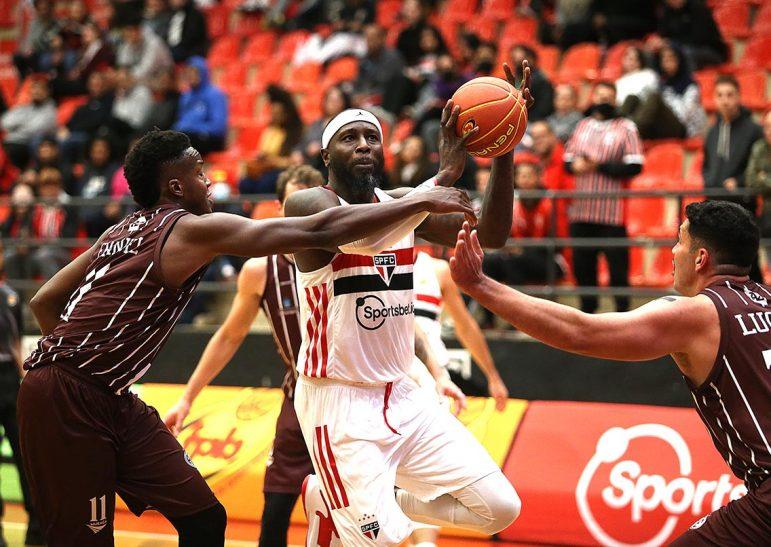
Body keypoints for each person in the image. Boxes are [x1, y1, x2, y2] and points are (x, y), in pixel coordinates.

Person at [18, 129, 474, 545]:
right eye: (200, 173)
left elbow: (44, 301)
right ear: (176, 187)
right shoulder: (192, 227)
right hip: (66, 394)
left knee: (203, 516)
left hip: (109, 394)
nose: (210, 182)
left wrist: (96, 363)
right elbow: (319, 228)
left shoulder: (116, 232)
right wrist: (422, 201)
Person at [287, 61, 531, 546]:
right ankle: (351, 505)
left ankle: (369, 501)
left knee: (500, 508)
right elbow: (361, 235)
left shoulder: (405, 202)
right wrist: (440, 178)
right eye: (349, 138)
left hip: (403, 396)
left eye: (371, 137)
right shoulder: (309, 206)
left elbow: (494, 234)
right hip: (338, 404)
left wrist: (502, 150)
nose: (363, 145)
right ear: (326, 154)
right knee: (381, 543)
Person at [449, 199, 771, 546]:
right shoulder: (766, 299)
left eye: (679, 240)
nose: (672, 251)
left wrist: (480, 285)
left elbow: (582, 332)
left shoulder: (698, 315)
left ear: (701, 258)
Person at [565, 81, 643, 314]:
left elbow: (635, 165)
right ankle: (587, 314)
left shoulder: (626, 127)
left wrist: (599, 166)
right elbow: (567, 160)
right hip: (582, 211)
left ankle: (623, 314)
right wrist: (575, 165)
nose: (604, 100)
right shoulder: (582, 125)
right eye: (600, 95)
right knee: (583, 269)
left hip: (611, 214)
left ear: (615, 100)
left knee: (618, 271)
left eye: (609, 97)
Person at [0, 242, 44, 546]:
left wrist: (23, 376)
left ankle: (38, 530)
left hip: (9, 382)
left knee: (27, 455)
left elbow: (16, 341)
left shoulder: (10, 295)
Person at [482, 161, 565, 287]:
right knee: (488, 262)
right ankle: (489, 307)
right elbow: (504, 235)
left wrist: (524, 249)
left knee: (514, 262)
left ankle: (514, 305)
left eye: (529, 175)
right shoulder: (511, 203)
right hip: (514, 255)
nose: (525, 179)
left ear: (539, 177)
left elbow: (558, 244)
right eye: (521, 175)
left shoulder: (550, 203)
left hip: (548, 259)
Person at [703, 74, 764, 217]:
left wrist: (739, 181)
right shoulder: (712, 131)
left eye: (730, 95)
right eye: (720, 95)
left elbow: (760, 167)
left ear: (738, 97)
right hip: (714, 203)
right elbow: (706, 165)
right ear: (714, 98)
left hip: (742, 205)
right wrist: (710, 180)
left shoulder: (754, 130)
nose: (725, 101)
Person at [623, 42, 706, 140]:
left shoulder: (690, 85)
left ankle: (628, 133)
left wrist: (663, 105)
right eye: (664, 58)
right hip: (662, 127)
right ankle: (617, 128)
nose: (667, 61)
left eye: (671, 57)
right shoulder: (661, 83)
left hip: (683, 130)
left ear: (679, 60)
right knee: (632, 98)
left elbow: (683, 116)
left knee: (655, 97)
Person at [239, 85, 304, 194]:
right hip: (266, 169)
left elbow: (292, 162)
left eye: (278, 114)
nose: (274, 116)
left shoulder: (295, 133)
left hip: (282, 170)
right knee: (245, 183)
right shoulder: (270, 130)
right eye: (272, 113)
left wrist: (272, 161)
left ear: (286, 114)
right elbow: (263, 151)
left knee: (266, 183)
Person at [172, 56, 227, 155]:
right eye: (188, 72)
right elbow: (181, 121)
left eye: (194, 72)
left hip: (208, 138)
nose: (191, 76)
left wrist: (193, 127)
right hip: (188, 136)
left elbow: (218, 127)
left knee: (182, 144)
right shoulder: (186, 95)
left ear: (203, 73)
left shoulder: (215, 94)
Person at [652, 0, 728, 70]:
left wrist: (672, 43)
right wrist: (658, 42)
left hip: (710, 50)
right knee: (652, 52)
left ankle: (689, 81)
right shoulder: (666, 11)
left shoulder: (698, 8)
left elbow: (700, 39)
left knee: (685, 53)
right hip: (680, 47)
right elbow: (663, 34)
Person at [58, 71, 114, 162]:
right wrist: (66, 128)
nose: (95, 87)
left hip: (93, 134)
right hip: (77, 133)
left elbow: (98, 121)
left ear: (104, 85)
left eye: (98, 84)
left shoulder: (109, 101)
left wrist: (73, 130)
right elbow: (75, 118)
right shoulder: (86, 102)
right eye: (93, 84)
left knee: (69, 142)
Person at [1, 78, 57, 169]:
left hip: (26, 144)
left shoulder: (50, 110)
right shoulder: (24, 107)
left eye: (40, 89)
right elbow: (4, 122)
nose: (36, 92)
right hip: (10, 142)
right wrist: (22, 125)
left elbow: (36, 129)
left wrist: (16, 128)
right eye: (34, 89)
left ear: (47, 92)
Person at [745, 110, 771, 270]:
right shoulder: (759, 147)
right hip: (768, 218)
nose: (770, 131)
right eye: (767, 127)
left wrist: (764, 177)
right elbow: (751, 180)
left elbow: (759, 180)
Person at [510, 44, 553, 122]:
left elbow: (544, 108)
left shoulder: (542, 80)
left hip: (534, 121)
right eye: (514, 60)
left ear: (530, 59)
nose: (516, 64)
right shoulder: (512, 79)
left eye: (520, 60)